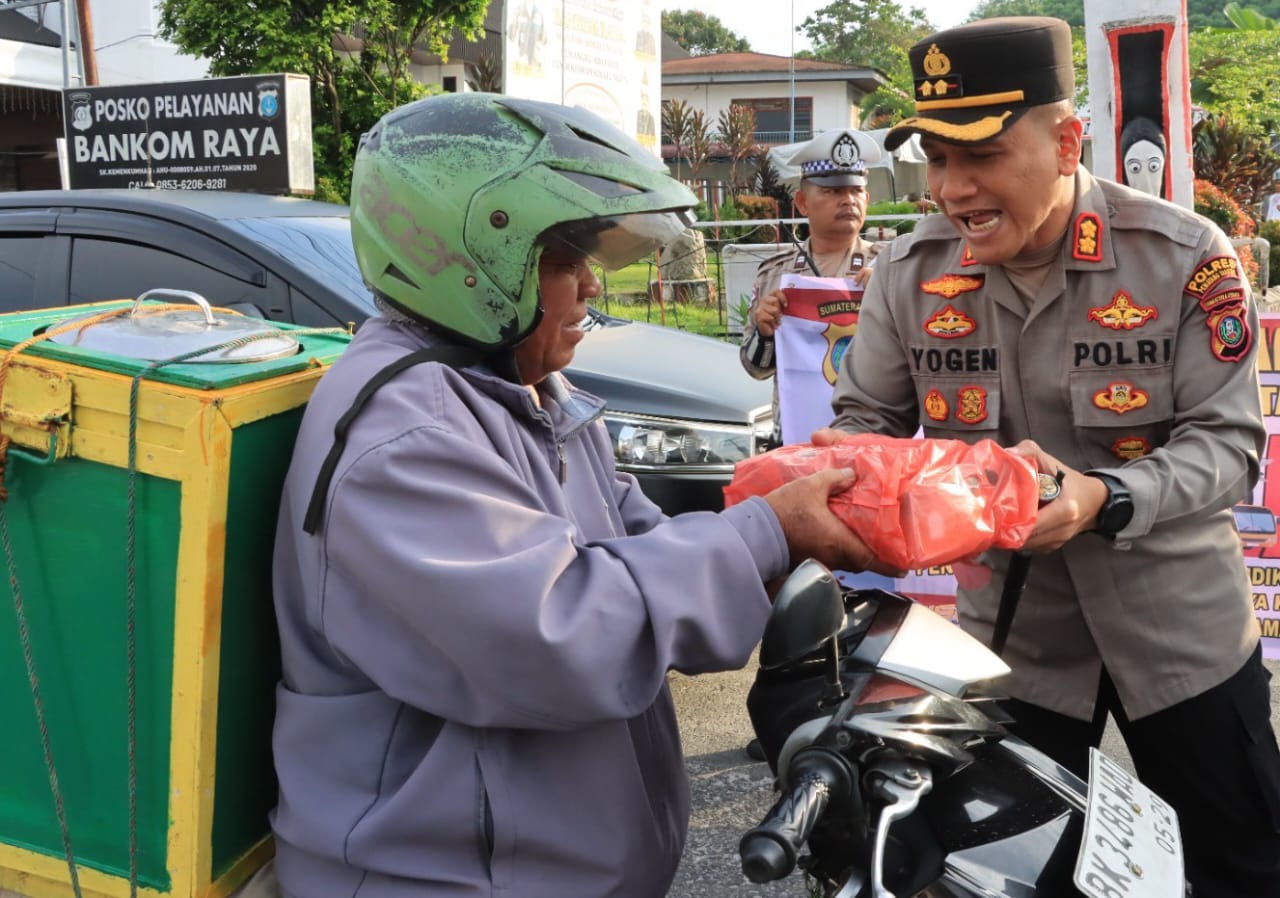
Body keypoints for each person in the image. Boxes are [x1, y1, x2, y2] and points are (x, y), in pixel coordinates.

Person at [269, 93, 893, 898]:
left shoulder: (521, 391)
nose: (592, 288)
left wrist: (786, 513)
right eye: (566, 262)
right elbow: (559, 635)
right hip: (441, 880)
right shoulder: (408, 434)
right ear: (471, 262)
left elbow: (638, 538)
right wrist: (763, 535)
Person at [819, 17, 1280, 897]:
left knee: (1242, 864)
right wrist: (856, 475)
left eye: (982, 155)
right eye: (937, 160)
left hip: (1182, 638)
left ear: (1067, 141)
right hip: (1015, 650)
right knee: (1014, 872)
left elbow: (1228, 445)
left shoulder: (1183, 258)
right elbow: (867, 423)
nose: (953, 189)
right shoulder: (908, 275)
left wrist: (1103, 496)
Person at [740, 128, 886, 443]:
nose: (848, 200)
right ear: (803, 203)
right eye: (832, 191)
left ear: (867, 199)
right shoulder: (776, 275)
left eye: (855, 190)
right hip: (798, 437)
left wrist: (892, 298)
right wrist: (766, 332)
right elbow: (756, 368)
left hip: (872, 437)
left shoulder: (891, 267)